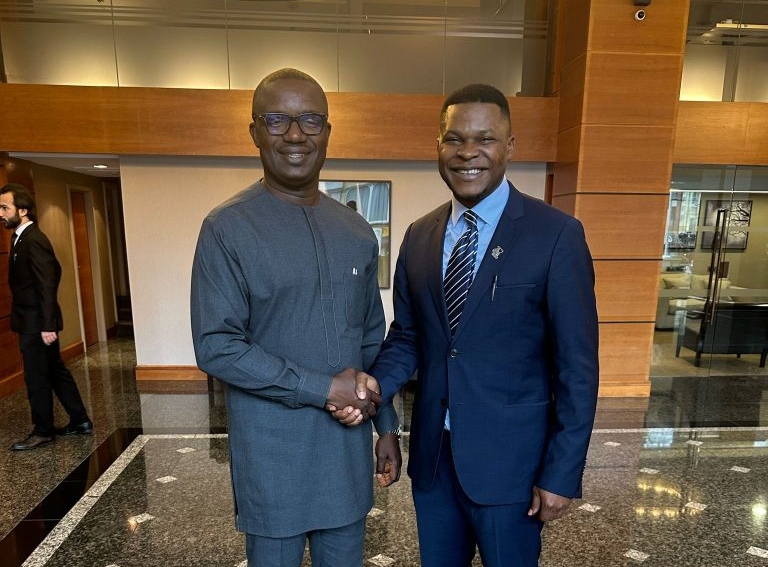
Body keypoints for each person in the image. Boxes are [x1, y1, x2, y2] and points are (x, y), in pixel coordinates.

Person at [337, 83, 599, 567]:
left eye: (485, 139)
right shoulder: (419, 236)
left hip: (513, 468)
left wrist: (562, 472)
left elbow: (577, 367)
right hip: (435, 464)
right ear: (438, 146)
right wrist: (373, 389)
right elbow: (409, 335)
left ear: (510, 146)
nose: (468, 152)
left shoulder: (556, 234)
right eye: (454, 139)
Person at [190, 68, 402, 567]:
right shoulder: (227, 228)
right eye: (276, 120)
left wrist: (387, 426)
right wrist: (324, 388)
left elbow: (371, 339)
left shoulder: (356, 231)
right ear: (254, 132)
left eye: (310, 120)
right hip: (272, 457)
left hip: (345, 454)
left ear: (327, 131)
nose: (294, 134)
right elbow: (217, 346)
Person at [0, 183, 93, 451]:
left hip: (37, 323)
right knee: (55, 371)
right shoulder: (20, 238)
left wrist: (47, 325)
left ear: (23, 210)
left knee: (36, 377)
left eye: (5, 208)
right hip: (32, 320)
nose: (1, 213)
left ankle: (43, 431)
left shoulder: (34, 239)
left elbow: (47, 282)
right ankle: (80, 420)